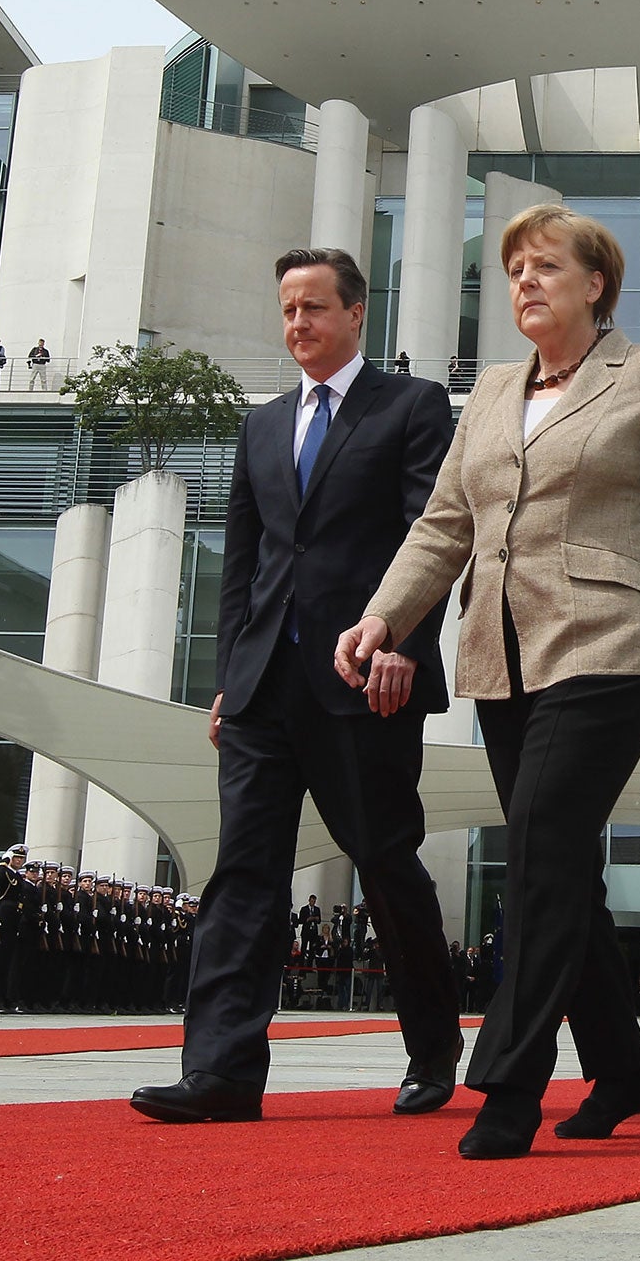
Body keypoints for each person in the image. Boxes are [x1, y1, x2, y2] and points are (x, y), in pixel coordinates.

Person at [339, 202, 640, 1160]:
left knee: (536, 843)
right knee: (554, 860)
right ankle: (622, 1067)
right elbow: (446, 523)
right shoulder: (489, 391)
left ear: (594, 284)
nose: (523, 282)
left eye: (544, 267)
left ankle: (510, 1089)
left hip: (615, 639)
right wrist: (383, 616)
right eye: (513, 269)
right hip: (503, 649)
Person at [133, 247, 462, 1127]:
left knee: (386, 864)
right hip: (261, 692)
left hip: (365, 680)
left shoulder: (412, 405)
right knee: (241, 874)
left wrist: (405, 641)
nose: (298, 325)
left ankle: (433, 1048)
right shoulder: (264, 424)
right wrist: (226, 680)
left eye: (314, 308)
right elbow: (242, 567)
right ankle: (222, 1073)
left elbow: (432, 535)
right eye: (286, 310)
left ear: (357, 313)